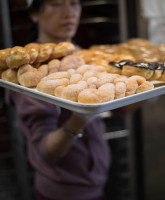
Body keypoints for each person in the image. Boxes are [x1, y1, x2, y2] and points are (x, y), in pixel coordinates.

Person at [6, 0, 110, 200]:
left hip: (98, 182)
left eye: (74, 3)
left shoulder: (83, 55)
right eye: (56, 4)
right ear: (34, 14)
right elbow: (44, 152)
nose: (68, 13)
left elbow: (122, 109)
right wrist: (80, 120)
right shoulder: (29, 71)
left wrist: (154, 89)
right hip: (61, 192)